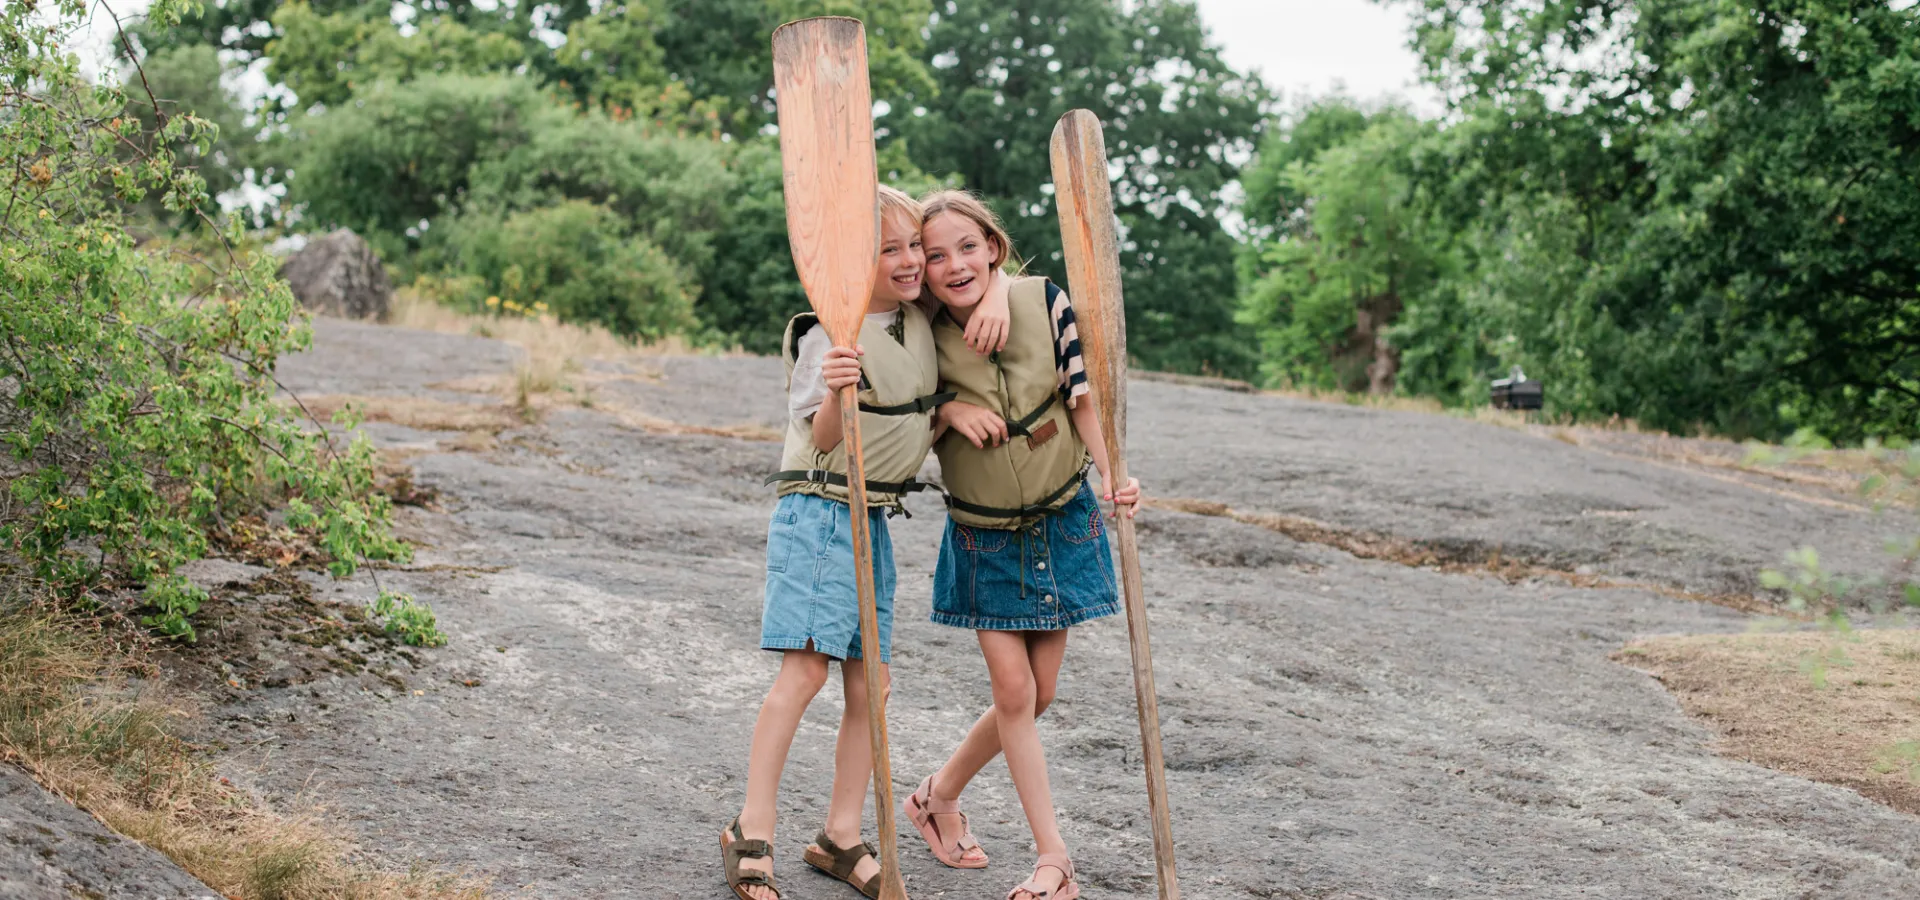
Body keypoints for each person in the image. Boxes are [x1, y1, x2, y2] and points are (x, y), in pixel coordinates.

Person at [902, 190, 1140, 900]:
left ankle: (935, 797)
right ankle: (1053, 859)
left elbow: (1081, 397)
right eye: (936, 254)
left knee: (1038, 695)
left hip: (1061, 517)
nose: (954, 264)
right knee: (1014, 690)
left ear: (994, 248)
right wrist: (948, 408)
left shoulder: (1041, 299)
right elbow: (904, 413)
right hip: (985, 535)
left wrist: (1116, 473)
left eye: (968, 248)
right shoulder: (919, 330)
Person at [720, 186, 952, 900]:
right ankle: (749, 830)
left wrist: (958, 412)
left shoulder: (918, 322)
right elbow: (822, 438)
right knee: (806, 673)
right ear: (855, 264)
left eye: (914, 245)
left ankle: (839, 836)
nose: (911, 260)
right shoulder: (831, 331)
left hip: (872, 516)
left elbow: (915, 414)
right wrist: (835, 390)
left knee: (870, 684)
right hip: (818, 510)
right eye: (891, 250)